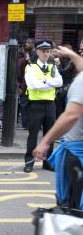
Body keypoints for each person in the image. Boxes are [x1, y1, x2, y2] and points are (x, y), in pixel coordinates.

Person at [33, 46, 83, 210]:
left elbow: (71, 115)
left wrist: (45, 141)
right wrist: (72, 55)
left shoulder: (82, 81)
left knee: (74, 207)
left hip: (77, 153)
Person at [24, 40, 63, 173]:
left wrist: (45, 81)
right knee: (33, 135)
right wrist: (51, 84)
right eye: (43, 51)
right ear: (37, 52)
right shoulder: (30, 67)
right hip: (36, 104)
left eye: (48, 51)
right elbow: (34, 85)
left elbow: (60, 82)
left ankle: (48, 162)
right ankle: (29, 162)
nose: (46, 54)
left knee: (50, 135)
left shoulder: (53, 67)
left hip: (50, 104)